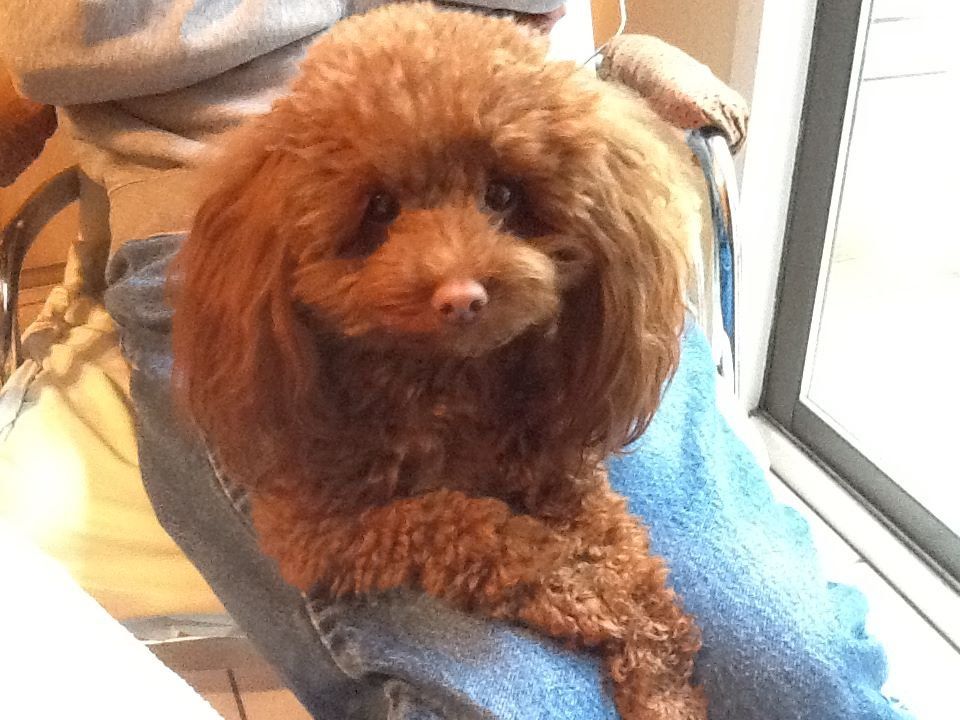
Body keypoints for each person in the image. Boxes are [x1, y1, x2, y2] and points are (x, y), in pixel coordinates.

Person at [0, 2, 910, 718]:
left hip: (544, 172)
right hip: (229, 217)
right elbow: (323, 533)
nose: (453, 284)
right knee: (521, 704)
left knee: (805, 671)